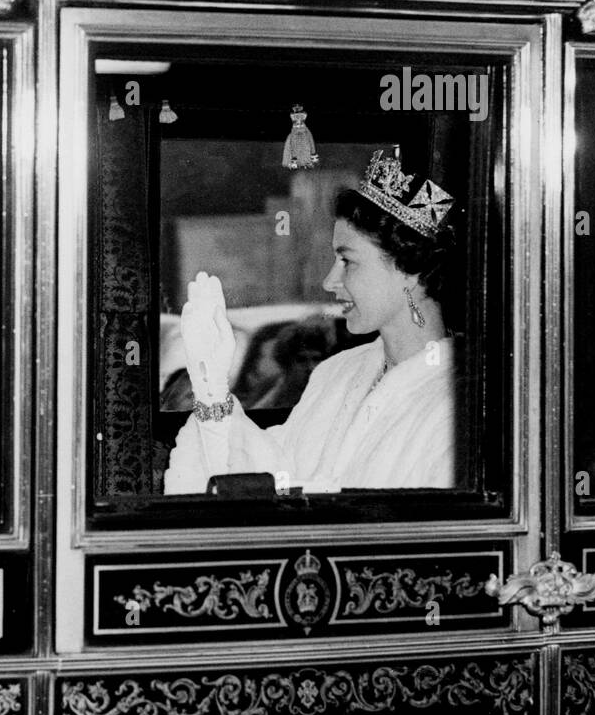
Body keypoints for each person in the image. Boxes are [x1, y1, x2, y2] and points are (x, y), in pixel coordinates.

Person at [164, 149, 458, 492]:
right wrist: (211, 387)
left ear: (409, 270)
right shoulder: (336, 373)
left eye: (347, 261)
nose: (329, 282)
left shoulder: (459, 401)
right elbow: (274, 476)